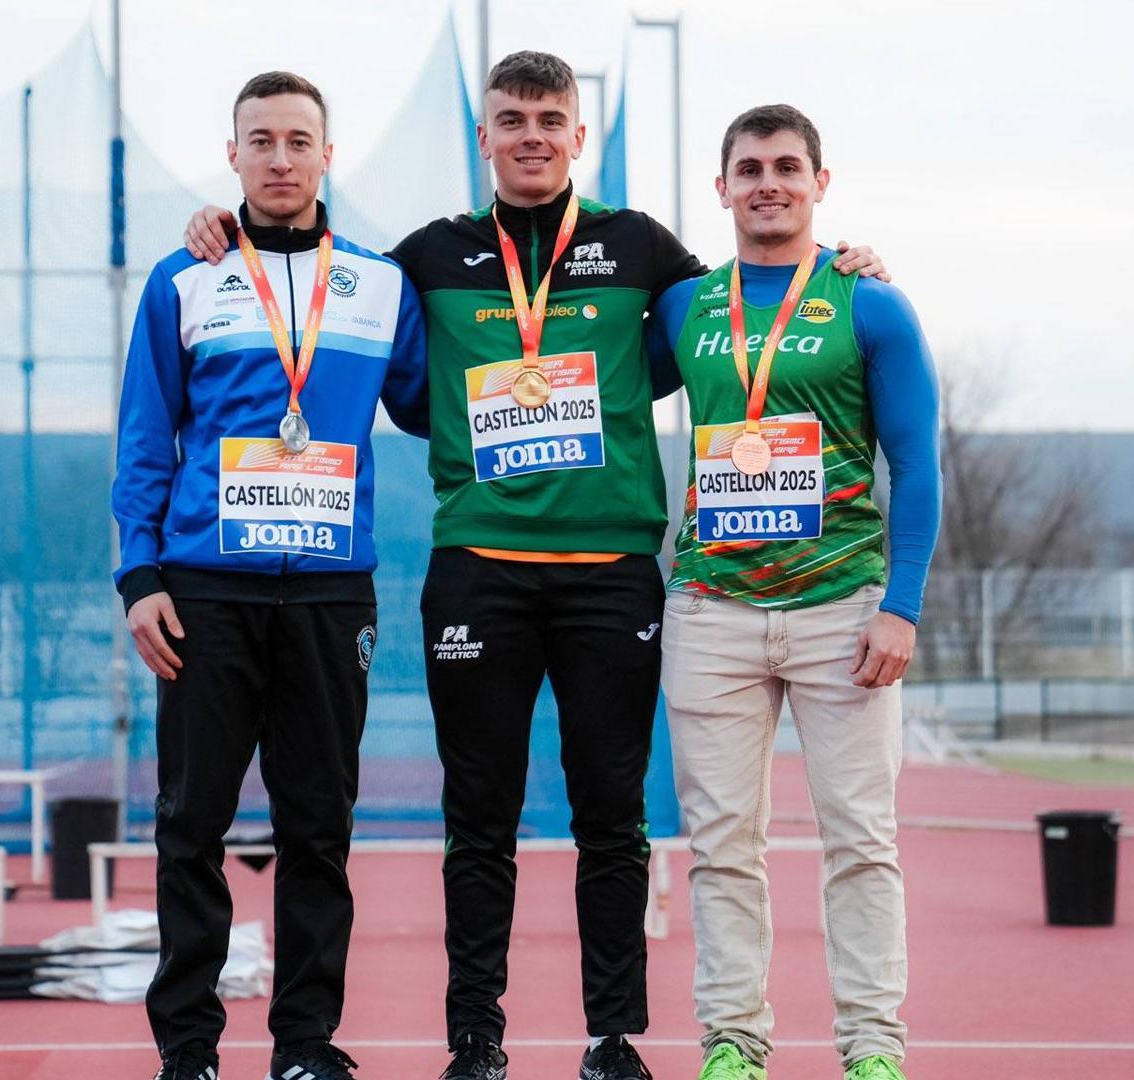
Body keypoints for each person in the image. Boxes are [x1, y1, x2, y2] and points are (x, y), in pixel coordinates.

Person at [183, 53, 886, 1080]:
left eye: (549, 119)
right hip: (481, 570)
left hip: (612, 573)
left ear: (576, 136)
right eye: (511, 119)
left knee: (612, 820)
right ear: (485, 138)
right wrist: (221, 228)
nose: (530, 136)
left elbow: (735, 314)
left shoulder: (640, 247)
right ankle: (477, 1039)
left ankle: (613, 1039)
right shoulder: (428, 257)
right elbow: (353, 321)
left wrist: (845, 263)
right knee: (478, 822)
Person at [114, 71, 428, 1080]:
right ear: (233, 155)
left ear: (328, 156)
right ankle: (189, 1051)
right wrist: (139, 576)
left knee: (318, 831)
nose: (281, 159)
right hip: (205, 593)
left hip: (331, 597)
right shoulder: (183, 279)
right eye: (262, 141)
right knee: (189, 828)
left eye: (299, 141)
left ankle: (304, 1045)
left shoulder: (380, 284)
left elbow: (439, 400)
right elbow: (145, 437)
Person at [642, 104, 940, 1080]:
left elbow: (917, 465)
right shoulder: (685, 307)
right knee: (723, 847)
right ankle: (733, 1044)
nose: (767, 183)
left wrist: (901, 605)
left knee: (862, 841)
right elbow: (591, 367)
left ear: (820, 182)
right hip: (711, 611)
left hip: (842, 610)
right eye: (749, 169)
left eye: (785, 167)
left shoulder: (871, 303)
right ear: (721, 187)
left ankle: (874, 1049)